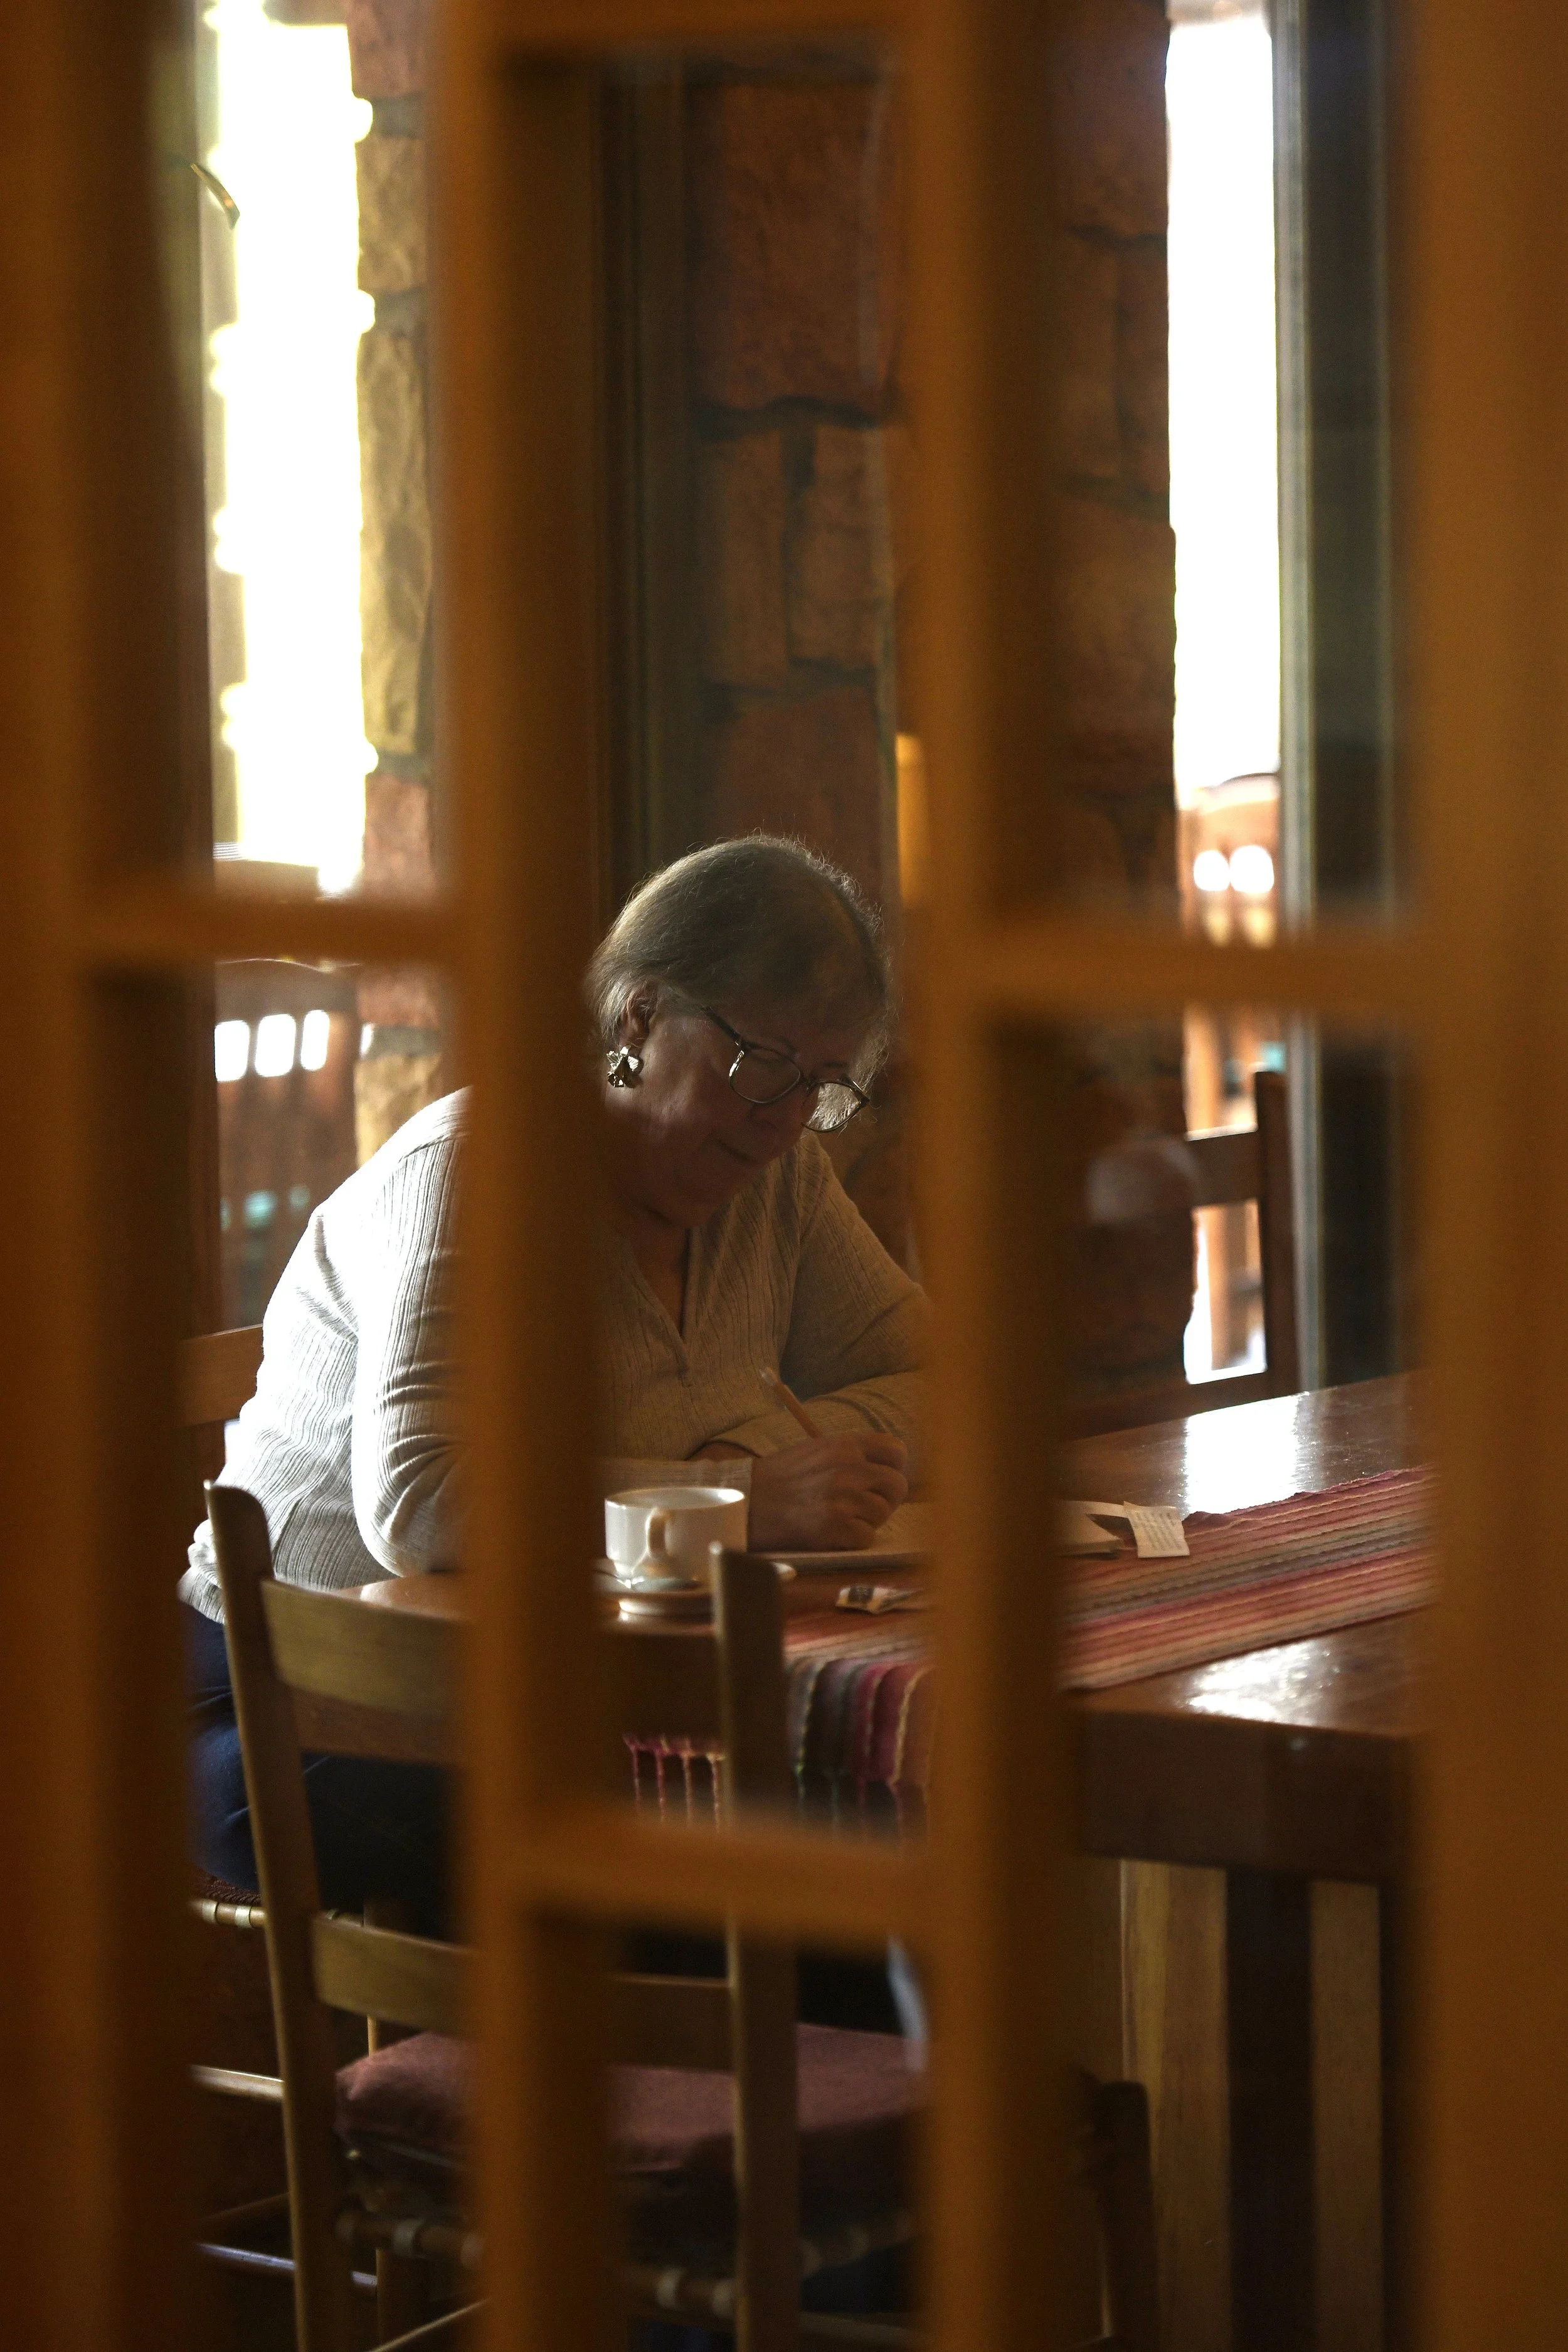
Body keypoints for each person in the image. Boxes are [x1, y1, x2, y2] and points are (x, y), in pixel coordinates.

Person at [184, 836, 925, 1924]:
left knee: (851, 1817)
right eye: (764, 1061)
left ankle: (865, 2084)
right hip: (300, 1699)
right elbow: (422, 1502)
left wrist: (747, 1461)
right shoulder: (474, 1174)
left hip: (552, 1682)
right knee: (736, 1843)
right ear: (635, 1020)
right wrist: (739, 1500)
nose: (782, 1120)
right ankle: (747, 2085)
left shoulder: (773, 1181)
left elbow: (934, 1375)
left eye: (821, 1084)